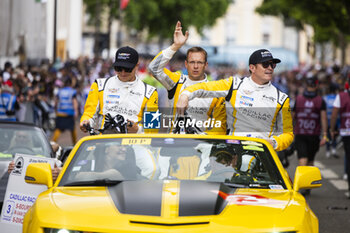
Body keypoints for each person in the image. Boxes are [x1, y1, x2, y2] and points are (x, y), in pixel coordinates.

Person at [177, 49, 294, 151]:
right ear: (252, 68)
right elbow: (206, 87)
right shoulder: (234, 85)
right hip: (232, 154)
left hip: (261, 157)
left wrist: (273, 143)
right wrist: (185, 95)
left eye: (272, 65)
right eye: (265, 65)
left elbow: (288, 134)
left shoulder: (281, 98)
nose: (270, 68)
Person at [148, 21, 226, 134]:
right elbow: (153, 68)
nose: (195, 66)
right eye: (192, 62)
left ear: (206, 65)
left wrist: (199, 136)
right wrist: (175, 46)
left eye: (199, 63)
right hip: (173, 144)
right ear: (186, 64)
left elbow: (220, 128)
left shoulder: (215, 90)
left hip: (199, 148)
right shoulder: (176, 81)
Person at [80, 46, 158, 134]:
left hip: (134, 144)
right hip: (105, 142)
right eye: (119, 69)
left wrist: (138, 130)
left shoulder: (150, 92)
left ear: (137, 66)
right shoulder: (100, 85)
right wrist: (85, 122)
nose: (123, 73)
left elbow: (153, 128)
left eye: (128, 69)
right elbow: (89, 114)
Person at [293, 76, 327, 166]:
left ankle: (302, 179)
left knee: (303, 159)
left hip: (300, 133)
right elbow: (323, 118)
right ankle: (308, 180)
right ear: (316, 86)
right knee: (310, 162)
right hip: (314, 134)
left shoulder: (298, 99)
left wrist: (288, 130)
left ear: (306, 85)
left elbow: (292, 116)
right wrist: (325, 135)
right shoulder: (320, 100)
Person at [330, 78, 350, 199]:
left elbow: (334, 114)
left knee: (348, 158)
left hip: (346, 132)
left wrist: (332, 129)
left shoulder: (341, 96)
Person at [51, 78, 79, 144]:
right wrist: (76, 111)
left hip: (60, 113)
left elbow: (56, 102)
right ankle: (75, 144)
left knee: (58, 129)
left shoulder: (60, 91)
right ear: (70, 84)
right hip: (69, 113)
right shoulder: (72, 91)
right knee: (73, 130)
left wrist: (56, 111)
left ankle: (52, 143)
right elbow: (74, 102)